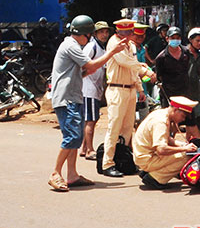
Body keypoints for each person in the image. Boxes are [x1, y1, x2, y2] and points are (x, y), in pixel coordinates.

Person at [48, 15, 127, 191]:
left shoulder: (73, 46)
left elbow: (83, 72)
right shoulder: (71, 45)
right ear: (83, 33)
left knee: (75, 137)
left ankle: (72, 175)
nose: (90, 38)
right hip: (66, 98)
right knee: (72, 137)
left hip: (73, 96)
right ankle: (55, 173)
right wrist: (112, 52)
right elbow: (91, 66)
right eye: (89, 34)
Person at [101, 19, 154, 178]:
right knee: (114, 127)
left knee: (127, 128)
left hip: (130, 89)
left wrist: (139, 88)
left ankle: (121, 160)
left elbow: (132, 67)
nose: (132, 35)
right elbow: (126, 62)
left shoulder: (130, 45)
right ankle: (107, 163)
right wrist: (145, 71)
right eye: (130, 32)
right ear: (120, 32)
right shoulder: (114, 43)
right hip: (117, 88)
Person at [132, 96, 199, 189]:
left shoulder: (160, 113)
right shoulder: (161, 122)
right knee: (187, 157)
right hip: (147, 159)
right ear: (176, 110)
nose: (183, 120)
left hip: (143, 155)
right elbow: (161, 149)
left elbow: (166, 138)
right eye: (183, 116)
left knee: (183, 152)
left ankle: (151, 171)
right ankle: (156, 178)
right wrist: (184, 149)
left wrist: (182, 144)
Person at [79, 21, 110, 160]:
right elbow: (82, 64)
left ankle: (84, 148)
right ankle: (90, 150)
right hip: (88, 88)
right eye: (101, 32)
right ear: (95, 33)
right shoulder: (92, 47)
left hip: (96, 88)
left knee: (92, 119)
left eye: (106, 32)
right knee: (90, 120)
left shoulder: (102, 48)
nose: (104, 34)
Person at [185, 27, 200, 138]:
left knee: (198, 118)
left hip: (196, 92)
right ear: (190, 40)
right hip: (183, 92)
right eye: (197, 41)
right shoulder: (183, 54)